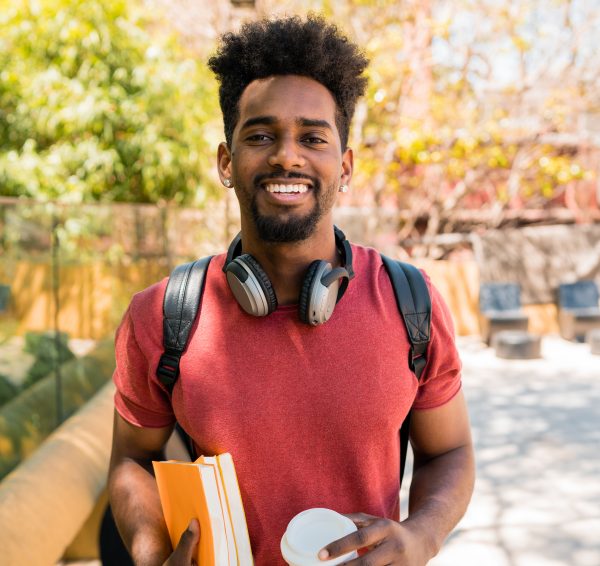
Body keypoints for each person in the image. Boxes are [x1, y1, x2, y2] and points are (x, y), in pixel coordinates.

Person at [108, 14, 475, 566]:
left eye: (312, 137)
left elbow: (449, 450)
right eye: (260, 135)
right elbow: (131, 459)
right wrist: (150, 551)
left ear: (344, 167)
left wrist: (423, 534)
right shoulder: (162, 315)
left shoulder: (411, 302)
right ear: (226, 162)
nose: (287, 155)